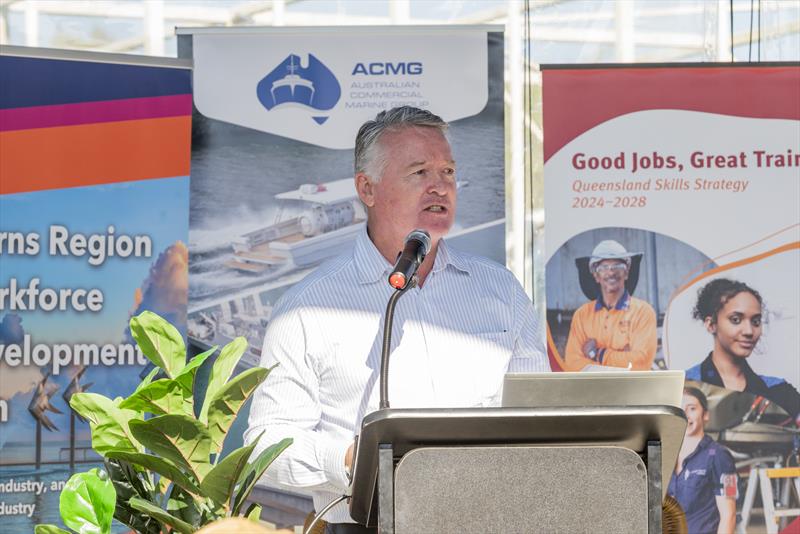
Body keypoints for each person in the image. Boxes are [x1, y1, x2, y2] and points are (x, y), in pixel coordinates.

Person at [244, 107, 549, 532]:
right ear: (367, 188)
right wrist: (350, 459)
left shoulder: (501, 291)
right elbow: (265, 446)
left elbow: (541, 416)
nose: (439, 186)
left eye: (447, 171)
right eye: (420, 172)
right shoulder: (306, 309)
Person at [686, 278, 800, 420]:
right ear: (711, 324)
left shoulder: (780, 392)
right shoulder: (683, 387)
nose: (749, 331)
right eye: (736, 320)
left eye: (756, 321)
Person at [563, 239, 657, 371]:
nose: (611, 272)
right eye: (604, 268)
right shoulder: (582, 315)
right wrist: (621, 361)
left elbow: (640, 362)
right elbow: (573, 363)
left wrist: (597, 354)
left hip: (631, 390)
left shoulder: (643, 312)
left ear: (627, 273)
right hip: (593, 390)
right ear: (596, 276)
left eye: (617, 267)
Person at [668, 387, 737, 534]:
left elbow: (729, 515)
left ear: (705, 415)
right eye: (680, 410)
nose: (685, 415)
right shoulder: (667, 456)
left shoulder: (720, 456)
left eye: (692, 409)